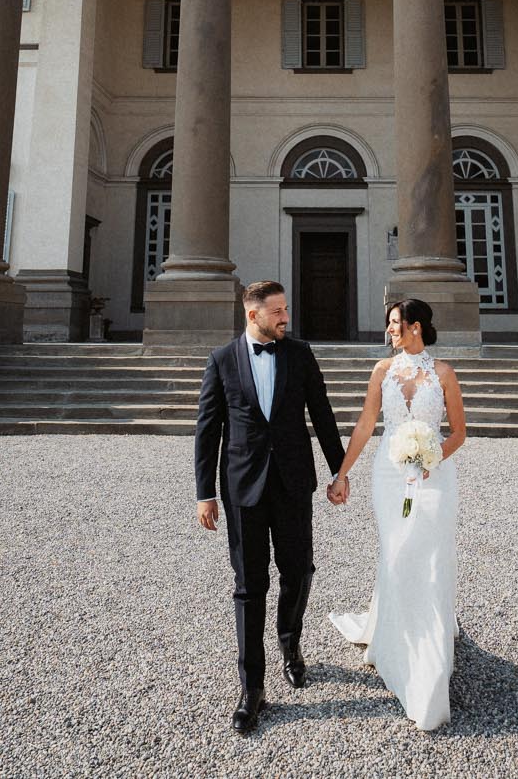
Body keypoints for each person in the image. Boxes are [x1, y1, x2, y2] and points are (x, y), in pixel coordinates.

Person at [193, 279, 348, 735]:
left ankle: (291, 645)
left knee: (299, 570)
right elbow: (207, 431)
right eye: (277, 311)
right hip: (242, 488)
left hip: (293, 483)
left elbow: (322, 413)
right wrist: (205, 494)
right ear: (252, 314)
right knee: (248, 585)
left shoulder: (300, 354)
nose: (285, 318)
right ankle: (251, 687)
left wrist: (340, 471)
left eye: (286, 309)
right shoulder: (222, 360)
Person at [326, 297, 467, 731]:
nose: (389, 329)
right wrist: (341, 474)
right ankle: (396, 641)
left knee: (427, 554)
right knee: (396, 554)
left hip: (433, 475)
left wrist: (433, 457)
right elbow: (367, 423)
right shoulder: (381, 371)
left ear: (416, 327)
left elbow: (459, 431)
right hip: (388, 476)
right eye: (389, 323)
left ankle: (432, 649)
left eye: (395, 323)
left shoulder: (442, 373)